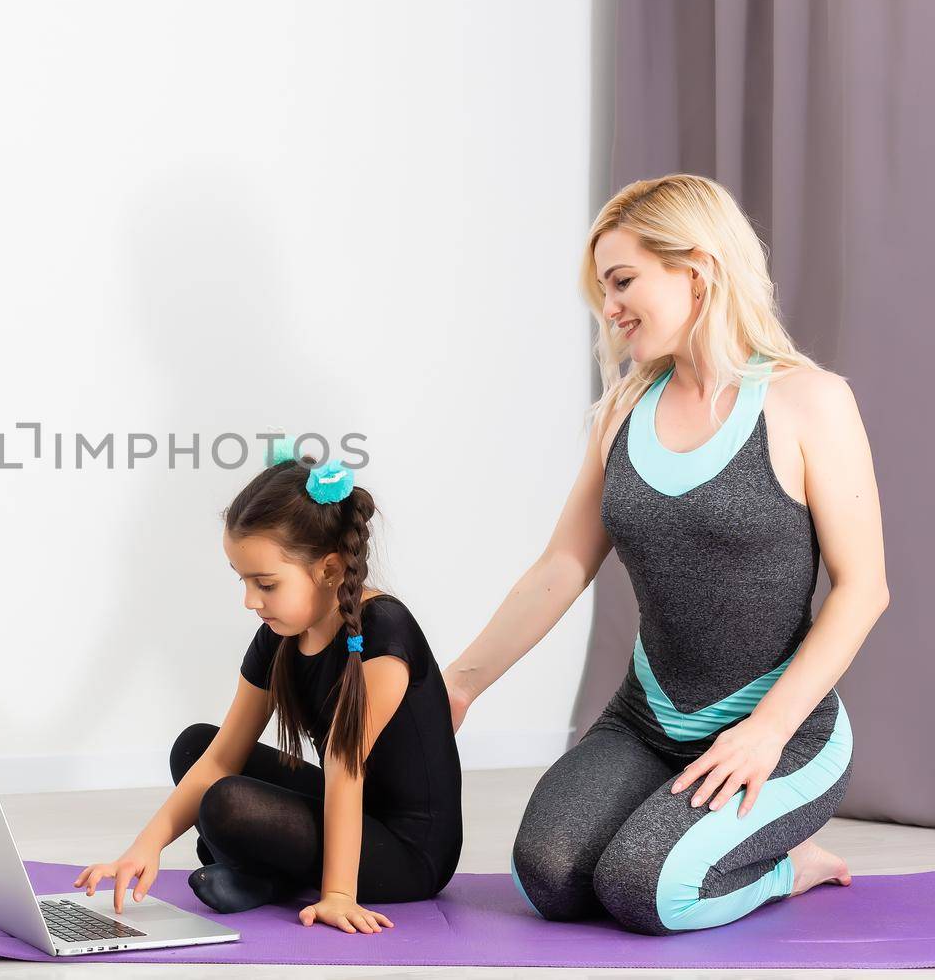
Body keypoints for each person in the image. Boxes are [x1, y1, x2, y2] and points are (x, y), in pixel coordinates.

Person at [444, 174, 889, 935]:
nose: (609, 309)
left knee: (647, 892)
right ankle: (693, 829)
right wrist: (458, 684)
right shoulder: (624, 408)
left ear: (697, 269)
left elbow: (862, 589)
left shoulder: (808, 400)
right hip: (645, 723)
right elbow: (562, 566)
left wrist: (768, 730)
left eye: (622, 281)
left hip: (783, 733)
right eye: (602, 290)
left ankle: (790, 863)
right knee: (547, 875)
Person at [74, 445, 463, 934]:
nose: (249, 600)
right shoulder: (278, 637)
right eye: (243, 581)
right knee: (194, 746)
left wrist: (338, 895)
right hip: (342, 810)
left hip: (409, 849)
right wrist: (141, 849)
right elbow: (219, 757)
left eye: (266, 584)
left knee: (227, 804)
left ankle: (257, 871)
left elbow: (344, 769)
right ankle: (258, 873)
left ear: (328, 568)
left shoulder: (384, 633)